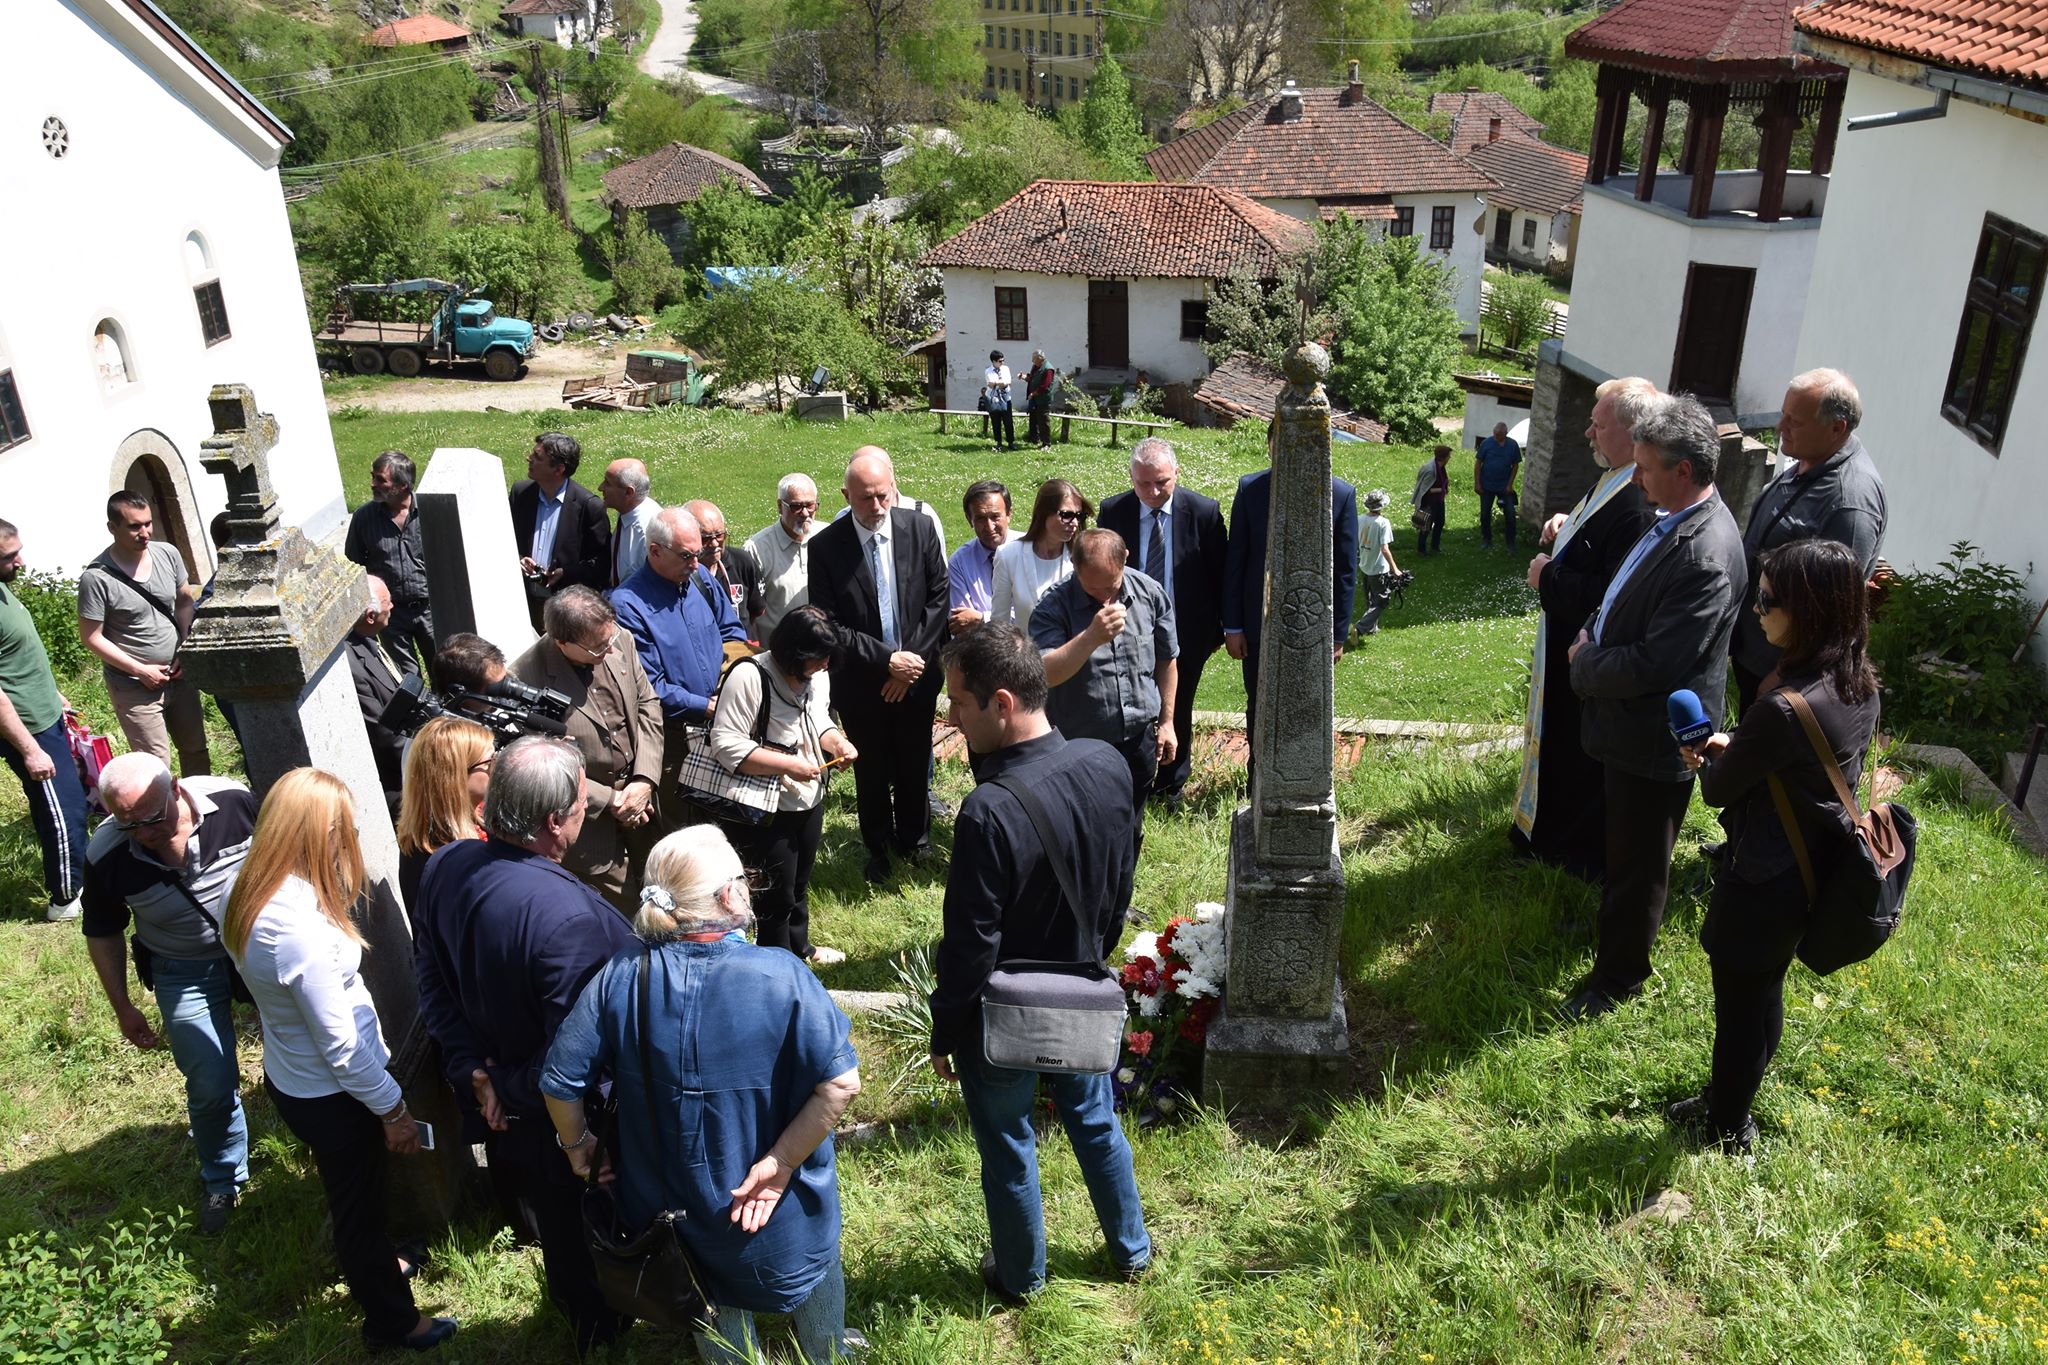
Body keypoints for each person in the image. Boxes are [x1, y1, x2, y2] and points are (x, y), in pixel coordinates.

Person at [541, 825, 863, 1363]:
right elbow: (841, 1082)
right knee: (815, 1270)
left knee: (704, 1290)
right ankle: (826, 1350)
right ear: (728, 896)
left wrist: (578, 1147)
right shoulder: (781, 974)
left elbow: (559, 1081)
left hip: (672, 1208)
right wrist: (782, 1162)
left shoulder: (623, 974)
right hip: (775, 1209)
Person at [929, 626, 1149, 1302]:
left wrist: (945, 1029)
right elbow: (1122, 876)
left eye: (957, 702)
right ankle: (1133, 1251)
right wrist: (1094, 955)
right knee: (1095, 1119)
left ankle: (1022, 1278)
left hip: (1003, 1011)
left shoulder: (988, 811)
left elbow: (971, 943)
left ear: (1001, 703)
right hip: (1082, 990)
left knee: (1007, 1143)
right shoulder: (1107, 762)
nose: (950, 717)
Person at [223, 768, 457, 1353]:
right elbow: (343, 1050)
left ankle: (380, 1265)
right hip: (335, 1094)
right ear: (322, 833)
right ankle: (393, 1323)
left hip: (294, 1075)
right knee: (358, 1212)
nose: (352, 839)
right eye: (346, 829)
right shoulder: (296, 930)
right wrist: (393, 1111)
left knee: (354, 1194)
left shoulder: (248, 887)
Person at [414, 737, 635, 1353]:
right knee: (584, 1225)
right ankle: (604, 1332)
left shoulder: (446, 863)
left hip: (501, 1095)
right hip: (564, 1117)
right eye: (582, 805)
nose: (585, 813)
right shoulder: (570, 919)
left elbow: (428, 974)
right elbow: (576, 1053)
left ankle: (577, 1313)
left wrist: (472, 1070)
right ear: (555, 821)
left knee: (553, 1223)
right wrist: (505, 1089)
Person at [1674, 538, 1882, 1154]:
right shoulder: (1858, 683)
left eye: (1768, 601)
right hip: (1814, 868)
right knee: (1765, 988)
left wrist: (1703, 756)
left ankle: (1727, 1128)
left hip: (1761, 877)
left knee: (1740, 1007)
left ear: (1808, 610)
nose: (1756, 610)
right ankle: (1730, 1098)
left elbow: (1719, 790)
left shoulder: (1783, 708)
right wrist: (1741, 747)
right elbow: (1803, 767)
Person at [1563, 393, 1747, 1020]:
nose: (1636, 479)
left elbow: (1656, 664)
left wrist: (1585, 663)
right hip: (1627, 726)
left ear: (1684, 470)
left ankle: (1619, 980)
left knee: (1640, 866)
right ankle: (1611, 939)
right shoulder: (1673, 517)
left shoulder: (1705, 555)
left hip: (1652, 737)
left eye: (1644, 468)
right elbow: (1624, 590)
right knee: (1623, 851)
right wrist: (1592, 628)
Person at [81, 753, 257, 1232]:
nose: (145, 833)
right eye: (129, 824)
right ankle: (223, 1179)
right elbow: (102, 929)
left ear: (176, 788)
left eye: (153, 818)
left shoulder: (233, 801)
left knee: (304, 1050)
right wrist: (122, 1006)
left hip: (258, 949)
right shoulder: (107, 852)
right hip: (184, 968)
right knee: (209, 1079)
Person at [1511, 377, 1659, 879]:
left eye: (1599, 425)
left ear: (1633, 433)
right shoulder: (1616, 475)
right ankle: (1543, 831)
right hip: (1566, 646)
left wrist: (1548, 576)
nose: (1588, 434)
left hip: (1585, 653)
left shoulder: (1638, 500)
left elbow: (1611, 594)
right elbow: (1595, 538)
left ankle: (1561, 850)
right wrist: (1565, 524)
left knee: (1573, 755)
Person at [807, 449, 949, 885]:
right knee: (869, 768)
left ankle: (916, 841)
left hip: (917, 676)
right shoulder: (826, 547)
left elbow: (938, 599)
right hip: (862, 681)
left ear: (894, 488)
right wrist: (887, 661)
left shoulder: (919, 528)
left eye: (883, 495)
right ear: (845, 495)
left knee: (914, 759)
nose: (876, 506)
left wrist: (910, 664)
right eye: (866, 498)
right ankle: (879, 846)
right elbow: (829, 623)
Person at [704, 606, 857, 964]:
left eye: (828, 657)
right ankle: (778, 965)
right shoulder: (749, 676)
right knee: (775, 894)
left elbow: (817, 719)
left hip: (807, 797)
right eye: (818, 658)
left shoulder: (818, 675)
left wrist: (837, 743)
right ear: (793, 653)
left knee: (799, 882)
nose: (824, 665)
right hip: (764, 805)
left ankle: (800, 948)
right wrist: (789, 765)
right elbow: (726, 744)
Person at [1731, 368, 1889, 712]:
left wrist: (1782, 677)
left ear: (1837, 428)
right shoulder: (1810, 459)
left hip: (1781, 681)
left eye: (1795, 422)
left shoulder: (1850, 502)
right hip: (1753, 652)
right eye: (1783, 415)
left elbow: (1833, 613)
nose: (1779, 427)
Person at [510, 587, 662, 914]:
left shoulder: (619, 639)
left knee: (664, 892)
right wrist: (611, 800)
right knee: (625, 914)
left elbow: (648, 704)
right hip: (590, 823)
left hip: (644, 800)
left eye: (610, 639)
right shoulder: (525, 679)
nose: (610, 649)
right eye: (598, 648)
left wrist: (644, 780)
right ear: (562, 642)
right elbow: (541, 763)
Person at [1100, 439, 1225, 811]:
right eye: (1143, 483)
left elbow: (1220, 573)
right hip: (1128, 629)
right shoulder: (1114, 511)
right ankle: (1129, 777)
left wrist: (1218, 629)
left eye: (1162, 482)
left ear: (1176, 474)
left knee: (1178, 703)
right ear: (1131, 477)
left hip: (1187, 629)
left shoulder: (1203, 512)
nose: (1153, 492)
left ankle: (1172, 784)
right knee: (1130, 703)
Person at [1031, 529, 1178, 821]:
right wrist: (1091, 637)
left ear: (1125, 559)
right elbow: (1044, 674)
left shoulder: (1150, 593)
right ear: (1074, 566)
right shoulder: (1053, 605)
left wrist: (1167, 722)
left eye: (1111, 586)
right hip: (1080, 743)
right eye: (1093, 589)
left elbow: (1167, 660)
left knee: (1132, 824)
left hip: (1138, 740)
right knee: (1086, 826)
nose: (1105, 597)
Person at [1221, 436, 1358, 741]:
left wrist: (1337, 635)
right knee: (1259, 704)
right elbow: (1236, 560)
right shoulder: (1250, 489)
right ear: (1270, 446)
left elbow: (1345, 571)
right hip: (1259, 625)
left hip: (1313, 626)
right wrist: (1233, 626)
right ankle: (1257, 769)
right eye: (1280, 446)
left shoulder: (1340, 494)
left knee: (1306, 707)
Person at [612, 506, 749, 806]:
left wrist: (731, 687)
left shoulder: (699, 578)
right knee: (684, 821)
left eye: (698, 553)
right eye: (687, 555)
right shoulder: (628, 606)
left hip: (724, 723)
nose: (696, 564)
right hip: (675, 739)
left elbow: (731, 631)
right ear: (655, 551)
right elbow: (649, 687)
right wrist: (706, 706)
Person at [77, 491, 210, 775]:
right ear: (112, 527)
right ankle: (164, 805)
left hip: (179, 675)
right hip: (134, 686)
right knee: (155, 765)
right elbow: (91, 637)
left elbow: (184, 601)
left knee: (196, 749)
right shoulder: (97, 579)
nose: (145, 532)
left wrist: (186, 647)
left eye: (148, 523)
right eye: (134, 526)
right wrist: (140, 670)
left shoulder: (168, 554)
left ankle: (201, 801)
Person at [0, 520, 87, 921]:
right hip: (28, 728)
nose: (20, 562)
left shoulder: (4, 588)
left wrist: (53, 694)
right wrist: (30, 749)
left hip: (43, 714)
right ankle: (66, 898)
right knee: (63, 809)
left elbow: (17, 655)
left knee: (60, 804)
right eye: (9, 556)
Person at [343, 451, 435, 679]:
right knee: (407, 678)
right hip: (391, 614)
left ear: (403, 485)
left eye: (380, 479)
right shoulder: (363, 518)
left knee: (443, 669)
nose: (372, 484)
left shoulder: (431, 511)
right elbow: (354, 564)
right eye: (373, 477)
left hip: (430, 610)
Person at [395, 714, 493, 922]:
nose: (497, 769)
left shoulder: (476, 818)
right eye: (489, 763)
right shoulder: (442, 859)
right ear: (456, 777)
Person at [511, 432, 611, 630]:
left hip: (565, 612)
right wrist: (518, 559)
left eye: (538, 457)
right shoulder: (520, 493)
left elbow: (601, 564)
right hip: (522, 603)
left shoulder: (589, 506)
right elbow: (503, 538)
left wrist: (565, 573)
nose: (529, 458)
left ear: (558, 469)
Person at [343, 574, 420, 815]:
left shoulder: (365, 640)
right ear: (370, 615)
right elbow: (383, 735)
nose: (393, 606)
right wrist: (431, 756)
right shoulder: (351, 666)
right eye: (388, 602)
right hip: (398, 779)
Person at [988, 479, 1090, 631]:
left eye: (1079, 516)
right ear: (1043, 513)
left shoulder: (1083, 557)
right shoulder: (1008, 556)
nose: (1074, 523)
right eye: (1066, 515)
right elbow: (999, 623)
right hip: (1027, 646)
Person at [744, 473, 820, 639]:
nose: (805, 513)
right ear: (780, 506)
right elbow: (747, 611)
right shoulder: (756, 549)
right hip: (776, 650)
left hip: (822, 647)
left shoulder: (827, 537)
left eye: (810, 505)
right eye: (796, 506)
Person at [947, 480, 1022, 635]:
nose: (989, 526)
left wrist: (982, 619)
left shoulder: (1029, 550)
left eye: (995, 516)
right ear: (969, 519)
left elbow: (1032, 615)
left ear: (1009, 514)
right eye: (980, 518)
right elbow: (961, 624)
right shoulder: (959, 562)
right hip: (979, 648)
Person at [688, 499, 764, 639]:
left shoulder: (742, 562)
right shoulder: (681, 572)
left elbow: (756, 611)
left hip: (739, 648)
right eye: (705, 538)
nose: (714, 543)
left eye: (719, 535)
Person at [599, 458, 662, 588]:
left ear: (628, 492)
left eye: (608, 483)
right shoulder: (628, 509)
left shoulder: (645, 532)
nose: (600, 487)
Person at [1352, 490, 1401, 639]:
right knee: (1381, 601)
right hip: (1379, 569)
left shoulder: (1360, 519)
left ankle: (1372, 627)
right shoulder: (1383, 523)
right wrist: (1395, 569)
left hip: (1364, 565)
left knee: (1370, 599)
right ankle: (1359, 628)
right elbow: (1384, 549)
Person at [1474, 422, 1522, 550]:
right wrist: (1477, 483)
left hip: (1504, 486)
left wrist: (1510, 484)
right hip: (1487, 485)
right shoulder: (1486, 443)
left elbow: (1515, 465)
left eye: (1499, 435)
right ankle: (1486, 539)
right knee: (1485, 514)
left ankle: (1510, 543)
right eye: (1495, 434)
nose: (1496, 437)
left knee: (1510, 515)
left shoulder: (1512, 445)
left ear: (1505, 433)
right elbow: (1478, 463)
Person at [1409, 444, 1452, 556]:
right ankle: (1421, 550)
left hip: (1439, 501)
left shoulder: (1441, 467)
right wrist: (1441, 489)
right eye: (1448, 456)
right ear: (1443, 457)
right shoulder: (1431, 470)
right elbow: (1425, 490)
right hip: (1429, 502)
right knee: (1426, 526)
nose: (1450, 458)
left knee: (1440, 523)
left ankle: (1435, 546)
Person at [982, 350, 1017, 451]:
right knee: (996, 422)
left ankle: (1011, 442)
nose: (1002, 363)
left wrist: (997, 383)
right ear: (994, 361)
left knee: (1008, 422)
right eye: (1000, 361)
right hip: (994, 399)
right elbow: (990, 384)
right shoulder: (988, 371)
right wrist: (999, 383)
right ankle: (999, 442)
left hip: (1006, 399)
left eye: (1003, 360)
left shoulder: (1006, 369)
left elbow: (1007, 382)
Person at [1024, 350, 1055, 449]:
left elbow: (1045, 386)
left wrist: (1033, 393)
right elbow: (1032, 378)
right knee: (1033, 419)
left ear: (1040, 358)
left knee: (1043, 421)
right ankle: (1034, 439)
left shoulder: (1048, 369)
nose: (1032, 361)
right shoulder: (1036, 366)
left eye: (1034, 359)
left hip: (1043, 399)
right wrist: (1025, 377)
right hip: (1034, 399)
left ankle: (1046, 443)